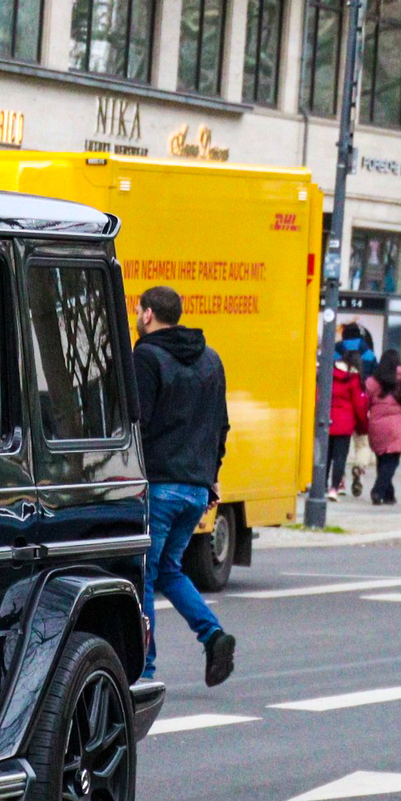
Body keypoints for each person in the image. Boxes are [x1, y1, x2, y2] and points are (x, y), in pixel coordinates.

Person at [130, 285, 235, 686]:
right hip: (195, 488)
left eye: (139, 309)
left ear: (149, 315)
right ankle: (214, 636)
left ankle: (145, 669)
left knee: (143, 576)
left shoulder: (147, 356)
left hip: (159, 487)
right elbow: (220, 426)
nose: (137, 315)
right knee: (169, 569)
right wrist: (211, 476)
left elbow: (137, 424)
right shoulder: (211, 360)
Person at [364, 349, 401, 504]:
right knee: (391, 461)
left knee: (382, 460)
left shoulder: (373, 381)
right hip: (398, 427)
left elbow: (364, 401)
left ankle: (389, 495)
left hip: (377, 425)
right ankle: (378, 491)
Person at [325, 346, 368, 499]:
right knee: (340, 458)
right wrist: (363, 427)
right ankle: (334, 489)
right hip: (344, 424)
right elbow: (359, 405)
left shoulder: (329, 373)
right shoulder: (354, 379)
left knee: (326, 456)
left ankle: (321, 485)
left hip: (327, 421)